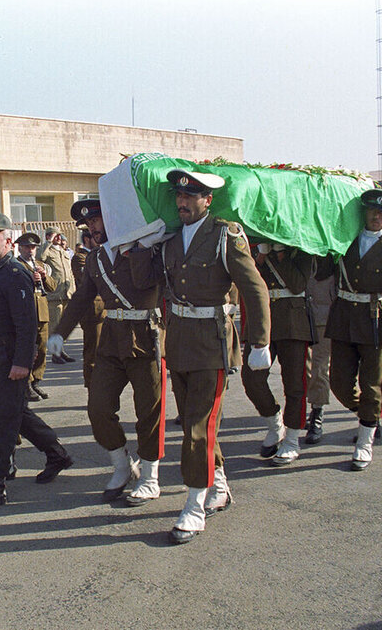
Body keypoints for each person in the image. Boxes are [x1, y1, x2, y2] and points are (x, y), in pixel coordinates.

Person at [132, 170, 270, 544]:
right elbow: (146, 282)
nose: (182, 203)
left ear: (207, 200)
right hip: (179, 342)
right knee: (198, 424)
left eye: (190, 196)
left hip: (212, 343)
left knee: (197, 427)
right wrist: (142, 245)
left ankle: (194, 507)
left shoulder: (225, 235)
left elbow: (255, 289)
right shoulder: (171, 240)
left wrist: (260, 342)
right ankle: (219, 485)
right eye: (179, 196)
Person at [52, 198, 163, 505]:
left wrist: (141, 248)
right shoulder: (96, 258)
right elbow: (82, 298)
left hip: (145, 339)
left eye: (96, 221)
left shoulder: (144, 249)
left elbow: (152, 282)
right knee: (98, 408)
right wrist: (60, 332)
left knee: (149, 412)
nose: (92, 228)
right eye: (88, 224)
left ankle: (150, 477)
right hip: (111, 341)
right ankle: (122, 464)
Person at [0, 212, 73, 513]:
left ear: (8, 241)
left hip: (9, 357)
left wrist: (22, 363)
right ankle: (57, 454)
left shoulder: (15, 273)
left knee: (2, 420)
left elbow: (27, 325)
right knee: (17, 413)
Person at [326, 189, 382, 471]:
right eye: (372, 210)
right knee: (339, 383)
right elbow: (322, 271)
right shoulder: (344, 239)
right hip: (343, 318)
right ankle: (367, 415)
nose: (376, 216)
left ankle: (365, 441)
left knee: (372, 385)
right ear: (363, 211)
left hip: (375, 321)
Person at [241, 242, 314, 466]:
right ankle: (275, 424)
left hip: (293, 320)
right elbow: (245, 279)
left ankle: (292, 440)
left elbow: (297, 284)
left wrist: (281, 253)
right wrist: (261, 256)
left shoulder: (301, 247)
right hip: (261, 320)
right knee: (251, 378)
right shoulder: (253, 244)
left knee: (295, 384)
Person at [15, 232, 56, 401]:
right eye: (27, 247)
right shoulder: (16, 265)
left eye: (33, 247)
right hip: (26, 313)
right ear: (19, 248)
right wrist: (30, 279)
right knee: (28, 350)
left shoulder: (40, 265)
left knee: (42, 349)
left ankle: (37, 380)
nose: (30, 250)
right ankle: (27, 383)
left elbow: (53, 287)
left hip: (42, 313)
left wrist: (44, 277)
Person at [304, 255, 337, 444]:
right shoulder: (298, 253)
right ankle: (304, 410)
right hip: (300, 316)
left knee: (319, 368)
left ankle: (317, 411)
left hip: (325, 319)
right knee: (303, 369)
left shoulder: (333, 256)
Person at [71, 228, 105, 388]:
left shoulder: (99, 255)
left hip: (104, 312)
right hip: (92, 312)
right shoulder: (80, 257)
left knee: (104, 354)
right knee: (93, 354)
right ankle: (92, 387)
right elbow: (92, 278)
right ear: (86, 239)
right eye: (94, 237)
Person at [41, 227, 76, 364]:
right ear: (49, 236)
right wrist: (48, 242)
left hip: (67, 293)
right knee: (54, 325)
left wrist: (73, 289)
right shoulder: (47, 251)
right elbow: (40, 258)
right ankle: (55, 353)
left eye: (60, 236)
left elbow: (69, 272)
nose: (59, 238)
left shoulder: (63, 251)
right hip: (55, 295)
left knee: (63, 324)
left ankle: (61, 350)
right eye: (56, 236)